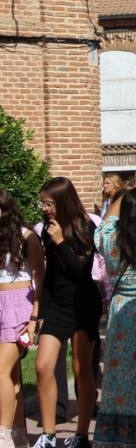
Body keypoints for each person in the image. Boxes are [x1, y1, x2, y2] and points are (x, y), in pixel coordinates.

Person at [33, 178, 102, 448]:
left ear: (63, 201)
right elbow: (50, 275)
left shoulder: (86, 227)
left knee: (82, 369)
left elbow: (81, 272)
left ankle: (82, 435)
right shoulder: (46, 230)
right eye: (43, 203)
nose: (45, 208)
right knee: (43, 366)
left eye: (49, 203)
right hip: (58, 306)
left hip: (83, 303)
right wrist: (41, 313)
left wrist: (61, 241)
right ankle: (49, 435)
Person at [93, 188, 136, 448]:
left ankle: (117, 436)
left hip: (121, 312)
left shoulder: (112, 239)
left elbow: (105, 223)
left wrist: (126, 193)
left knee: (119, 374)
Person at [0, 191, 43, 448]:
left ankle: (2, 433)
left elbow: (40, 280)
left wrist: (35, 317)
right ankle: (18, 434)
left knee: (1, 370)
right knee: (12, 375)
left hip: (19, 306)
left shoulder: (27, 238)